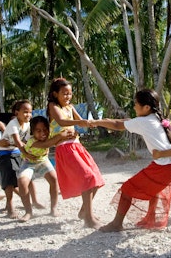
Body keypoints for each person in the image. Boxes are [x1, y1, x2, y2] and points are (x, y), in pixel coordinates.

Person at [89, 89, 171, 232]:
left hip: (165, 166)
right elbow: (125, 122)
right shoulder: (156, 118)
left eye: (136, 103)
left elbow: (117, 125)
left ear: (146, 107)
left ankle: (116, 224)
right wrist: (101, 121)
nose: (134, 106)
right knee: (155, 190)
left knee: (127, 188)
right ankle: (150, 219)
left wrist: (96, 122)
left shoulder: (144, 122)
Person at [47, 78, 104, 229]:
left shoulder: (70, 107)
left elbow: (81, 121)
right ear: (55, 94)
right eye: (64, 94)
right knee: (87, 177)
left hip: (77, 146)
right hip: (65, 148)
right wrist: (79, 123)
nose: (68, 96)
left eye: (70, 93)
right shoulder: (53, 106)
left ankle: (84, 212)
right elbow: (60, 121)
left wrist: (91, 123)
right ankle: (89, 219)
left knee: (96, 178)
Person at [16, 116, 74, 222]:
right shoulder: (31, 141)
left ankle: (54, 208)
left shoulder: (50, 135)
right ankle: (28, 212)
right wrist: (60, 136)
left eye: (45, 130)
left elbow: (56, 139)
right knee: (22, 182)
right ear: (32, 132)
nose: (43, 133)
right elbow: (47, 144)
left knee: (54, 180)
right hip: (28, 163)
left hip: (42, 161)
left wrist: (68, 134)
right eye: (38, 131)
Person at [0, 100, 35, 219]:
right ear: (16, 112)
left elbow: (29, 140)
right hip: (5, 153)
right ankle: (10, 205)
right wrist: (27, 154)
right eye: (25, 112)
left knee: (25, 177)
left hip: (17, 152)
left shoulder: (28, 125)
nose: (28, 115)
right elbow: (19, 141)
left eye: (30, 112)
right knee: (9, 179)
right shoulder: (13, 124)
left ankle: (32, 202)